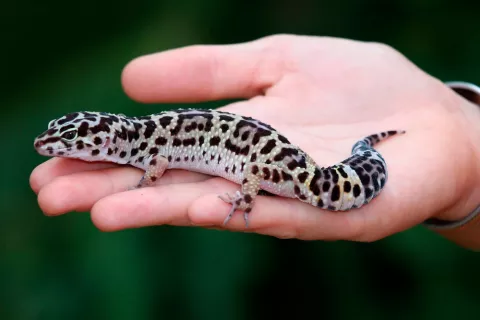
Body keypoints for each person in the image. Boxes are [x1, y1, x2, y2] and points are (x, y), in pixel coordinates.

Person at [29, 34, 480, 250]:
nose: (56, 146)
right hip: (285, 163)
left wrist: (245, 193)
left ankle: (355, 160)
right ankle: (362, 154)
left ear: (104, 138)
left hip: (279, 174)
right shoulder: (145, 139)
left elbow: (158, 164)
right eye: (67, 143)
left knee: (280, 177)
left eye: (69, 142)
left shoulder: (147, 146)